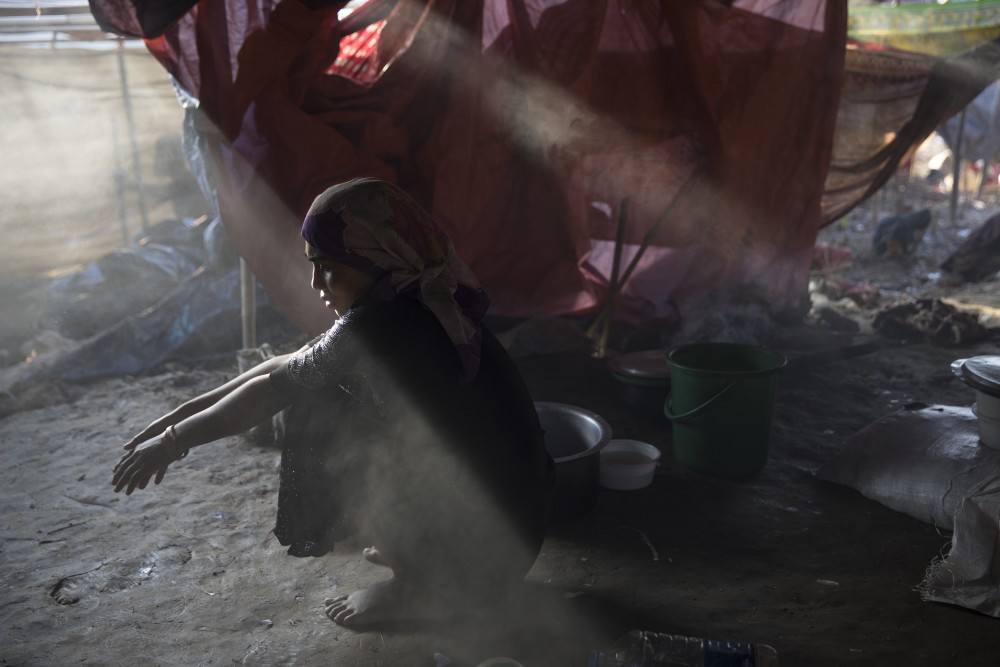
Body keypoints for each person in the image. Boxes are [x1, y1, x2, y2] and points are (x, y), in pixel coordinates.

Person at [111, 177, 555, 628]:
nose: (315, 282)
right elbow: (286, 365)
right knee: (335, 393)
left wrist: (172, 444)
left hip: (486, 563)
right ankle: (423, 556)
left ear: (374, 257)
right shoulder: (422, 293)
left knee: (329, 414)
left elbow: (271, 392)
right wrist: (179, 417)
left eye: (326, 266)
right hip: (515, 534)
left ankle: (420, 589)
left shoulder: (381, 323)